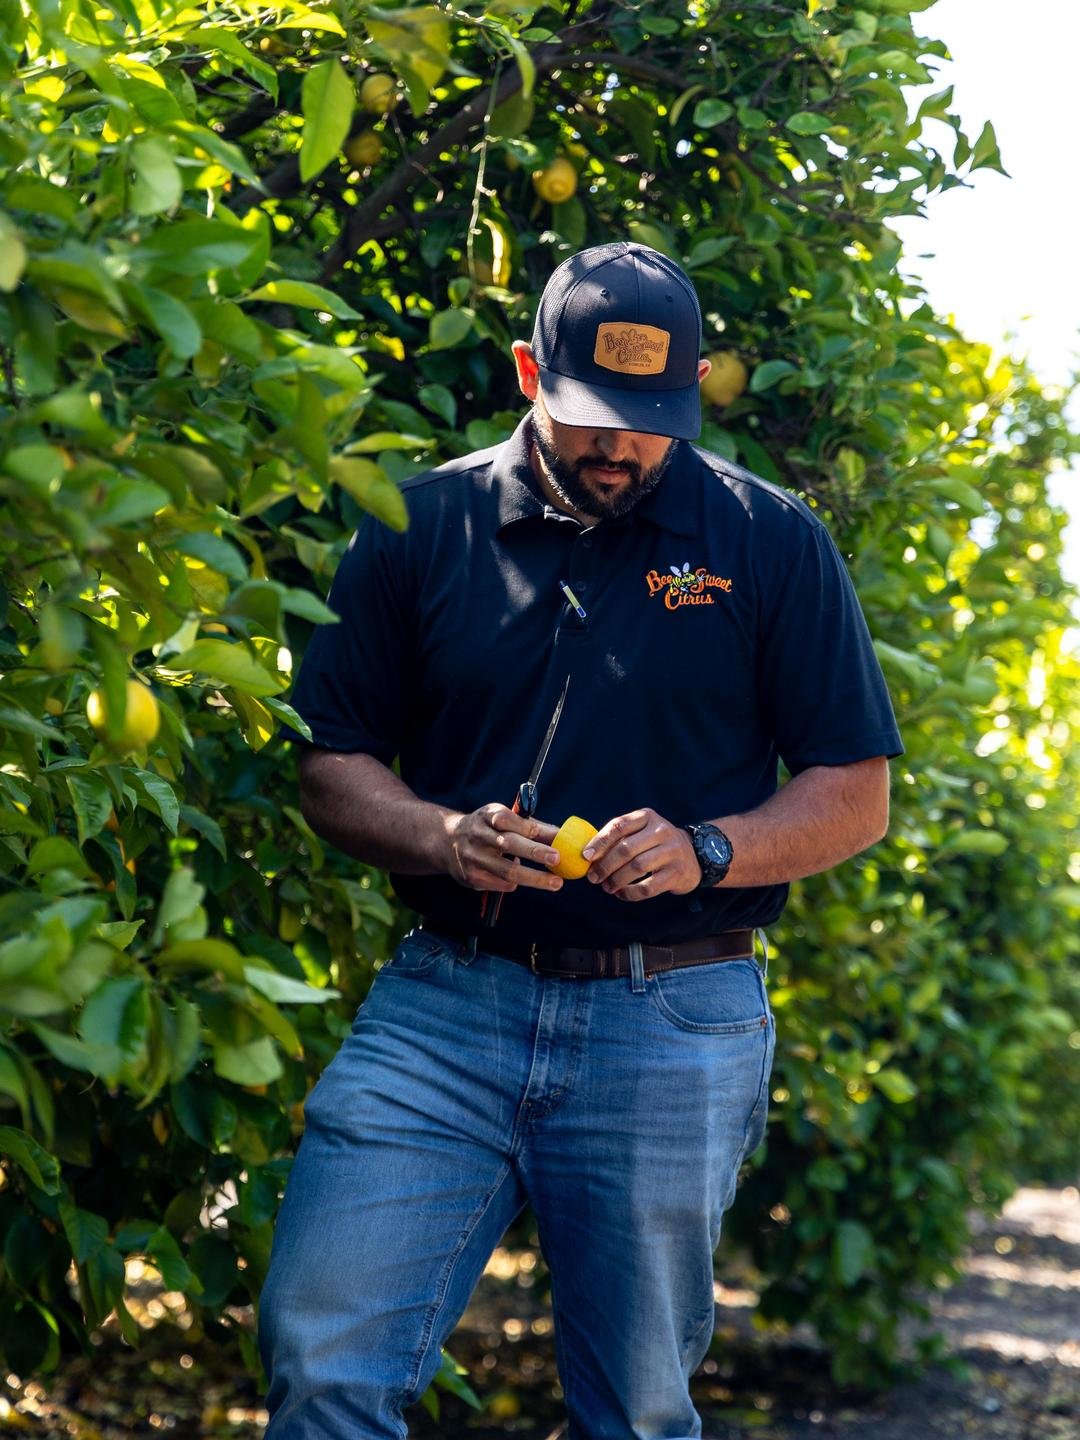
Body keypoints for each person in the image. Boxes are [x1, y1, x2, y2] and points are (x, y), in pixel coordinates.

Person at [259, 241, 903, 1439]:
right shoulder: (420, 524)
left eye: (651, 420)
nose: (620, 448)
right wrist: (442, 834)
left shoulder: (770, 543)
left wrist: (707, 850)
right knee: (324, 1356)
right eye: (592, 416)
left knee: (638, 1414)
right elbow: (329, 763)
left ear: (697, 389)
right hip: (447, 1008)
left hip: (672, 1024)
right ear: (525, 374)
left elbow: (854, 793)